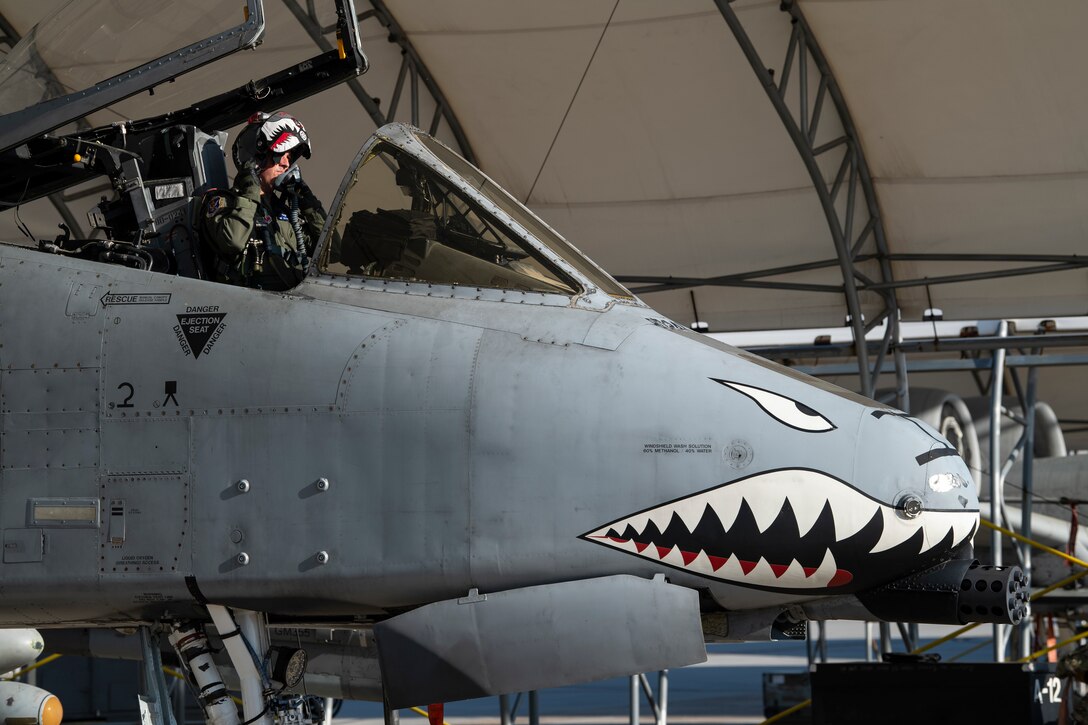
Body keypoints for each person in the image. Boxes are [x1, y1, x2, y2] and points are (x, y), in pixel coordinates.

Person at [201, 111, 325, 290]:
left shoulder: (283, 212)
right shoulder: (223, 201)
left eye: (289, 158)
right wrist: (250, 186)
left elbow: (332, 250)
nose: (285, 164)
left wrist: (308, 202)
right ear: (257, 158)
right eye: (280, 154)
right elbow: (233, 240)